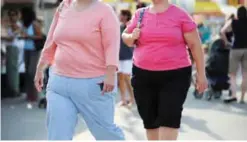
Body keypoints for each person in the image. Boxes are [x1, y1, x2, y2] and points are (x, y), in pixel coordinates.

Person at [34, 0, 124, 140]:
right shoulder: (64, 6)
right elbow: (52, 39)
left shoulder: (104, 11)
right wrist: (41, 67)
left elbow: (112, 44)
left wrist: (111, 72)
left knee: (106, 134)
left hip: (93, 84)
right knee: (58, 135)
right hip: (59, 84)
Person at [122, 0, 207, 140]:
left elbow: (195, 45)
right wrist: (131, 37)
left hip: (175, 76)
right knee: (150, 122)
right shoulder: (140, 14)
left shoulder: (180, 15)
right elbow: (125, 36)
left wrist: (201, 74)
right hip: (143, 76)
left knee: (169, 119)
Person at [221, 6, 247, 104]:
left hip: (235, 49)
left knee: (233, 75)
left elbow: (222, 31)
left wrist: (227, 42)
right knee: (245, 75)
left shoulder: (233, 22)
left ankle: (234, 95)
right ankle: (242, 98)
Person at [19, 7, 43, 102]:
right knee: (27, 72)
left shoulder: (34, 24)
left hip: (34, 50)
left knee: (32, 72)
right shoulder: (25, 25)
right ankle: (29, 94)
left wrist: (28, 36)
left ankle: (34, 94)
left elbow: (40, 36)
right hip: (26, 50)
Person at [1, 9, 22, 97]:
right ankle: (12, 89)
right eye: (10, 14)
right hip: (9, 47)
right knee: (10, 69)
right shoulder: (10, 24)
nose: (11, 16)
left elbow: (12, 38)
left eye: (13, 14)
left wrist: (2, 37)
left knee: (13, 70)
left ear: (17, 16)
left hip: (13, 47)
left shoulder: (17, 25)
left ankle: (14, 90)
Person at [118, 9, 134, 107]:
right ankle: (123, 100)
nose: (119, 16)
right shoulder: (119, 27)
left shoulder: (130, 26)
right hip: (119, 57)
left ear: (125, 16)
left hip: (128, 57)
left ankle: (132, 99)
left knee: (127, 79)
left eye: (120, 15)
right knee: (121, 79)